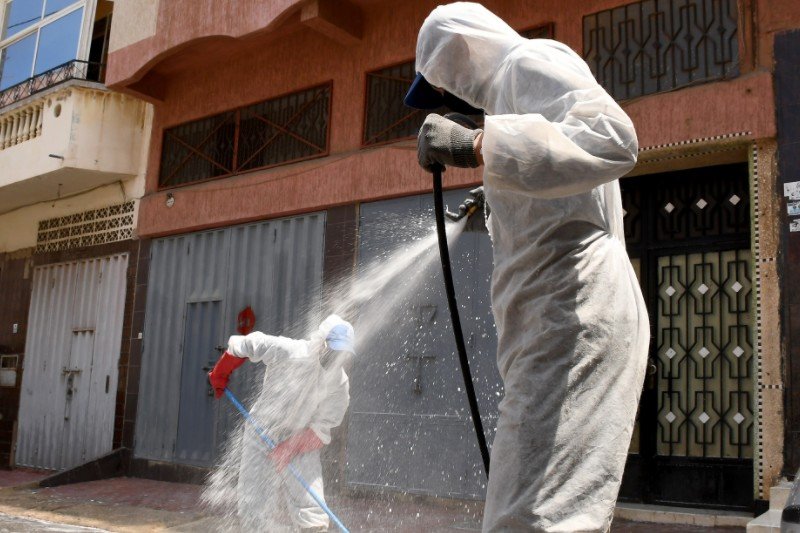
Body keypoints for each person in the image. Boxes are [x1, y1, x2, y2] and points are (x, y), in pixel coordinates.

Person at [406, 3, 649, 532]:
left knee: (535, 514)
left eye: (441, 82)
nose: (446, 96)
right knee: (536, 508)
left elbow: (613, 138)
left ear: (461, 50)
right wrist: (495, 193)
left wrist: (477, 145)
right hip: (554, 317)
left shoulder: (528, 62)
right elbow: (556, 182)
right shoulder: (508, 95)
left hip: (572, 309)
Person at [208, 314, 355, 532]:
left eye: (342, 353)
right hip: (261, 431)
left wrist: (289, 448)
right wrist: (221, 371)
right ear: (322, 343)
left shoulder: (339, 385)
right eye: (333, 351)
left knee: (312, 509)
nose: (336, 358)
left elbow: (321, 430)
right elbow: (248, 344)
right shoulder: (291, 352)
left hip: (299, 438)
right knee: (252, 505)